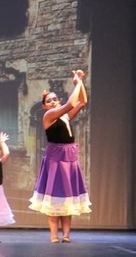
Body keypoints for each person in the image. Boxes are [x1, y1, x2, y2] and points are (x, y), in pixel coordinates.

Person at [29, 69, 91, 243]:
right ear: (44, 106)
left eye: (55, 99)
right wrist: (77, 81)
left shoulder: (64, 117)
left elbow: (82, 101)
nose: (53, 102)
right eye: (49, 101)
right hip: (56, 160)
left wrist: (80, 82)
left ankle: (66, 235)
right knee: (53, 198)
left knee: (67, 200)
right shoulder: (48, 116)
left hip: (69, 158)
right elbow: (71, 103)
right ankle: (54, 235)